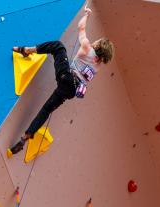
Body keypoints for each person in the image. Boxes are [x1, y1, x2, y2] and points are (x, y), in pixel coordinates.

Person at [10, 6, 114, 154]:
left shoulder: (86, 47)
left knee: (58, 47)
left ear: (98, 45)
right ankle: (24, 138)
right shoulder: (97, 65)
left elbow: (81, 27)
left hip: (67, 76)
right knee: (46, 110)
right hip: (71, 91)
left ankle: (26, 50)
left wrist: (87, 14)